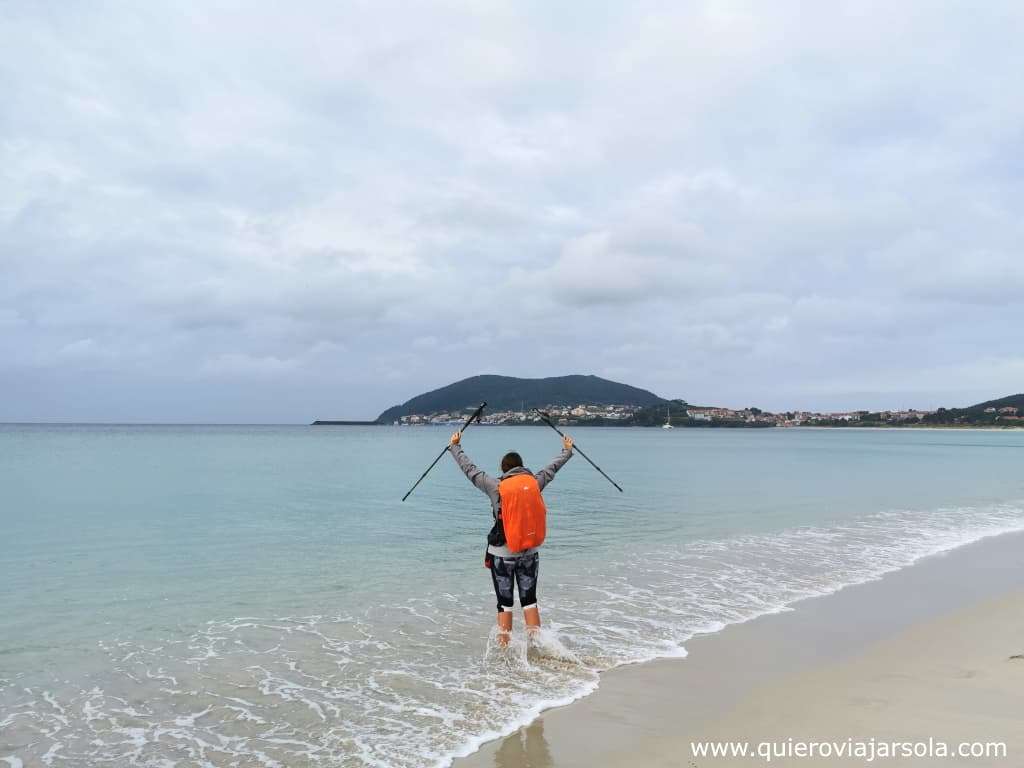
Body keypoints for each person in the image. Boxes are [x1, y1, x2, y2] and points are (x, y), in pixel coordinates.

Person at [448, 430, 573, 645]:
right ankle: (537, 647)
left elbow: (470, 470)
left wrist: (455, 447)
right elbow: (552, 469)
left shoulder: (495, 486)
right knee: (529, 601)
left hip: (502, 554)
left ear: (504, 469)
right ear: (522, 467)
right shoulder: (535, 482)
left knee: (505, 604)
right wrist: (567, 450)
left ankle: (504, 655)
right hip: (529, 553)